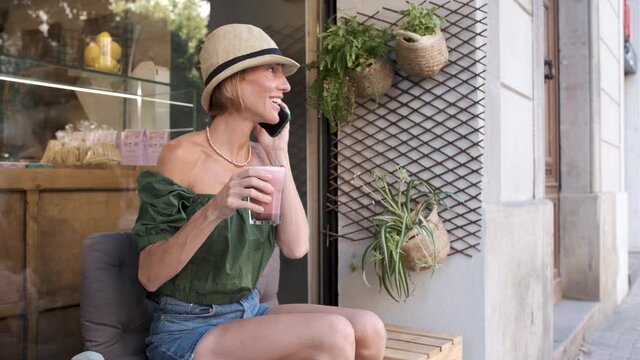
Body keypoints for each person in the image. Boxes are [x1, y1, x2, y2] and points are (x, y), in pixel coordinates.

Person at [131, 23, 386, 360]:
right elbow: (149, 276)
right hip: (189, 328)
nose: (286, 84)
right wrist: (214, 209)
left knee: (369, 327)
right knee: (333, 332)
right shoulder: (181, 155)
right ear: (234, 79)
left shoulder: (264, 155)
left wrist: (280, 154)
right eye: (272, 70)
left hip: (248, 312)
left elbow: (296, 247)